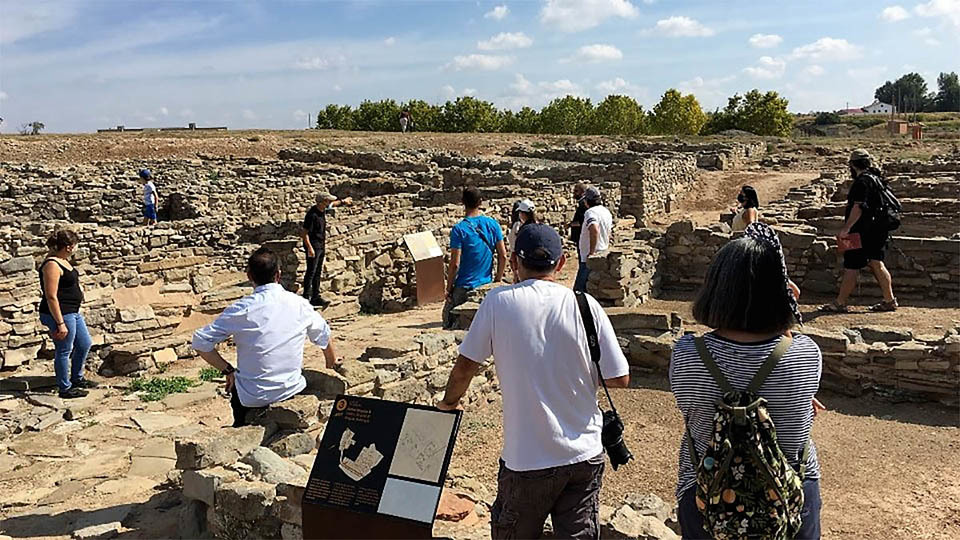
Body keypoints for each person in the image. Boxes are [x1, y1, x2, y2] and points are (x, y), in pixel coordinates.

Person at [438, 223, 629, 540]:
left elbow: (463, 369)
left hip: (528, 458)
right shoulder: (585, 305)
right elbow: (619, 378)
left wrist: (448, 403)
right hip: (584, 453)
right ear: (562, 262)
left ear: (513, 262)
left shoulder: (499, 303)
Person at [670, 223, 822, 540]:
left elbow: (689, 410)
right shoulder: (806, 355)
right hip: (787, 495)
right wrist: (787, 314)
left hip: (707, 496)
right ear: (781, 292)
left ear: (715, 288)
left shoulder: (686, 354)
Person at [192, 247, 340, 428]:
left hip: (252, 397)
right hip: (290, 389)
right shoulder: (299, 304)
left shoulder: (241, 309)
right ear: (278, 275)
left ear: (249, 276)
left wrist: (228, 370)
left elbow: (200, 342)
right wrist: (332, 367)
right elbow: (324, 335)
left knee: (240, 408)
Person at [820, 149, 897, 313]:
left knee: (851, 266)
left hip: (858, 232)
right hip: (878, 230)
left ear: (852, 165)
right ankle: (889, 300)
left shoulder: (861, 182)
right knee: (876, 262)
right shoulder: (877, 179)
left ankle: (839, 303)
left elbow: (858, 207)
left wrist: (845, 230)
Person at [38, 230, 98, 399]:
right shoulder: (52, 265)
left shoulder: (63, 261)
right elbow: (51, 295)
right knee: (64, 349)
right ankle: (65, 387)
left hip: (72, 311)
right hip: (61, 314)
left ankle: (77, 378)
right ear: (68, 247)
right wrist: (60, 323)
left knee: (84, 343)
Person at [442, 187, 507, 329]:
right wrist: (497, 279)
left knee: (452, 327)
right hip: (485, 284)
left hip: (464, 286)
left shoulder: (459, 229)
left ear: (462, 202)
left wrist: (448, 288)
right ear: (481, 202)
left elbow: (455, 264)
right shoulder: (492, 224)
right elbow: (503, 255)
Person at [300, 192, 353, 307]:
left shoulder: (322, 209)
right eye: (327, 201)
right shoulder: (312, 214)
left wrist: (343, 201)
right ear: (322, 201)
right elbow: (304, 233)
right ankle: (306, 297)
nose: (329, 203)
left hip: (320, 244)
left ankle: (315, 296)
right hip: (313, 245)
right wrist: (309, 248)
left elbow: (333, 205)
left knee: (318, 271)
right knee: (311, 272)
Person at [573, 186, 613, 293]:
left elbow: (594, 229)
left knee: (579, 290)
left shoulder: (591, 212)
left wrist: (591, 252)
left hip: (589, 256)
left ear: (587, 201)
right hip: (602, 251)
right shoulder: (606, 212)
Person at [568, 183, 588, 252]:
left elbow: (582, 222)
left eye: (576, 191)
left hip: (582, 236)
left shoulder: (583, 204)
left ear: (582, 192)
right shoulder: (582, 203)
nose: (574, 193)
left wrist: (570, 224)